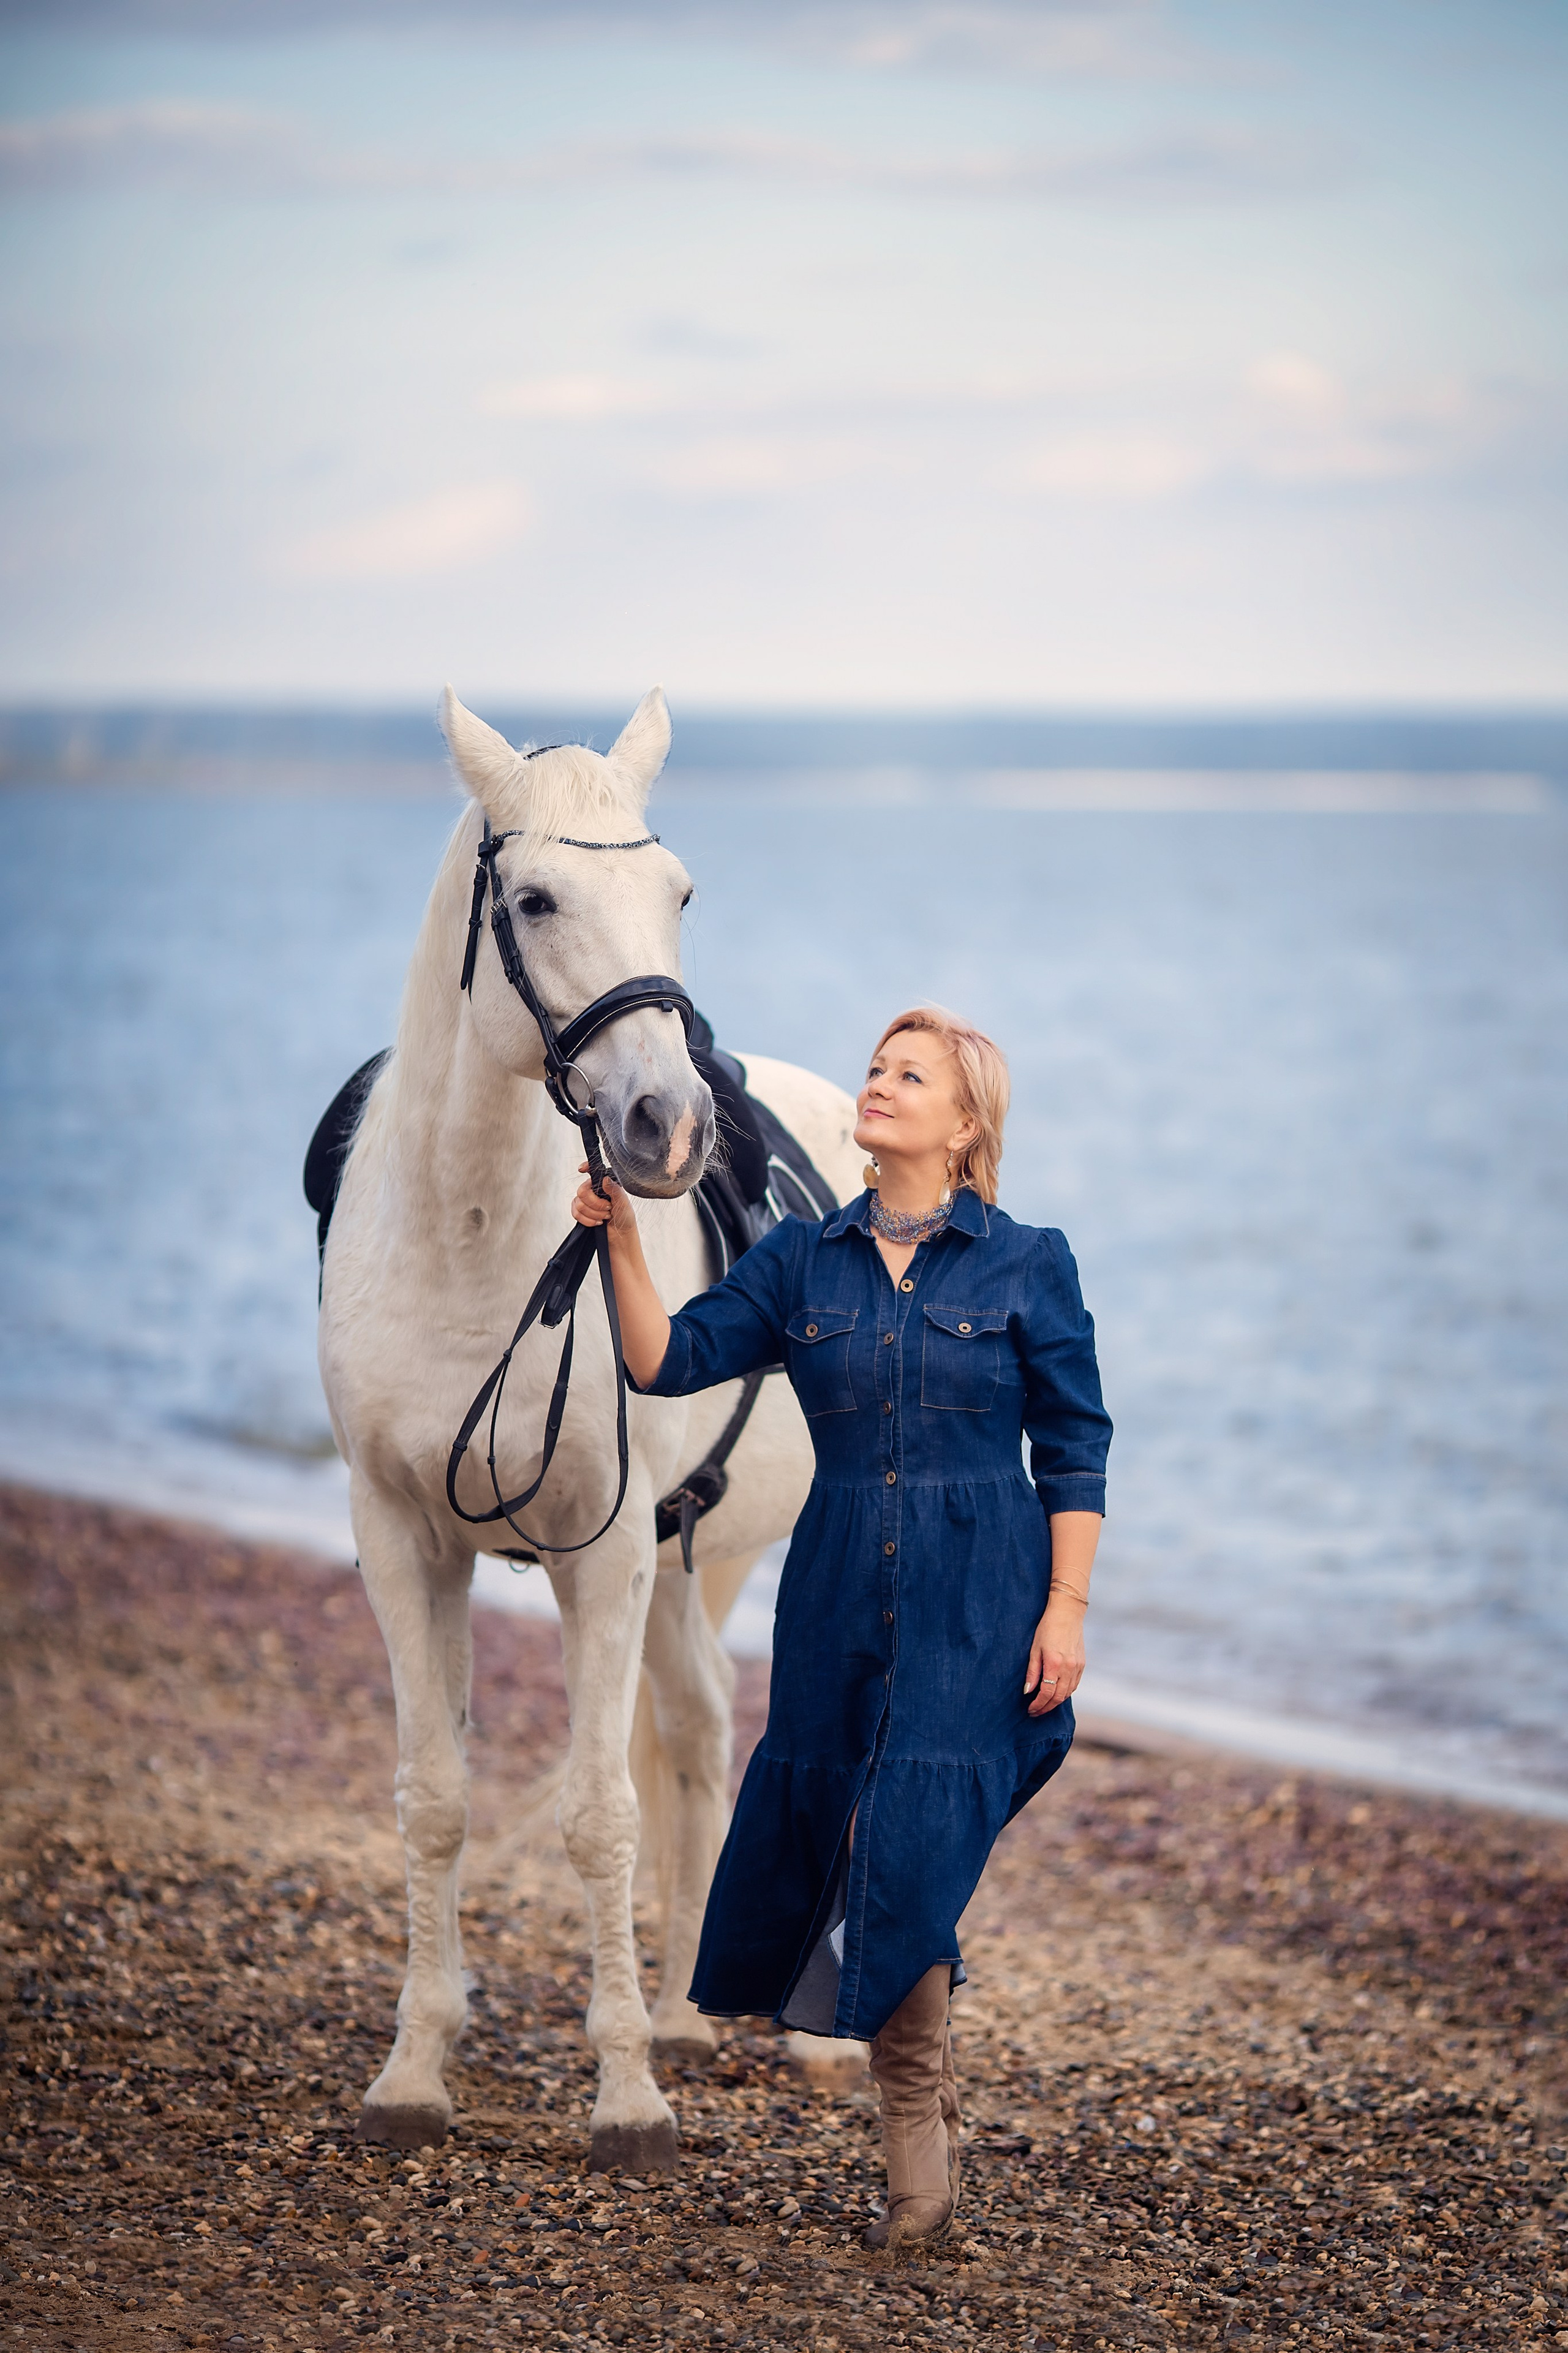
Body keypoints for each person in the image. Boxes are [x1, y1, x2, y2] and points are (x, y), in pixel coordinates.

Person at [571, 1005, 1110, 2249]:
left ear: (964, 1122)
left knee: (911, 1846)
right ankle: (922, 2127)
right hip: (832, 1598)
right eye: (872, 1068)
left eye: (906, 1075)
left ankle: (917, 2178)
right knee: (864, 1853)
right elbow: (664, 1360)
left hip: (982, 1597)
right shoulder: (800, 1259)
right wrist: (620, 1250)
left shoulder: (1030, 1262)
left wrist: (1065, 1610)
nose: (875, 1086)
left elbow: (1074, 1447)